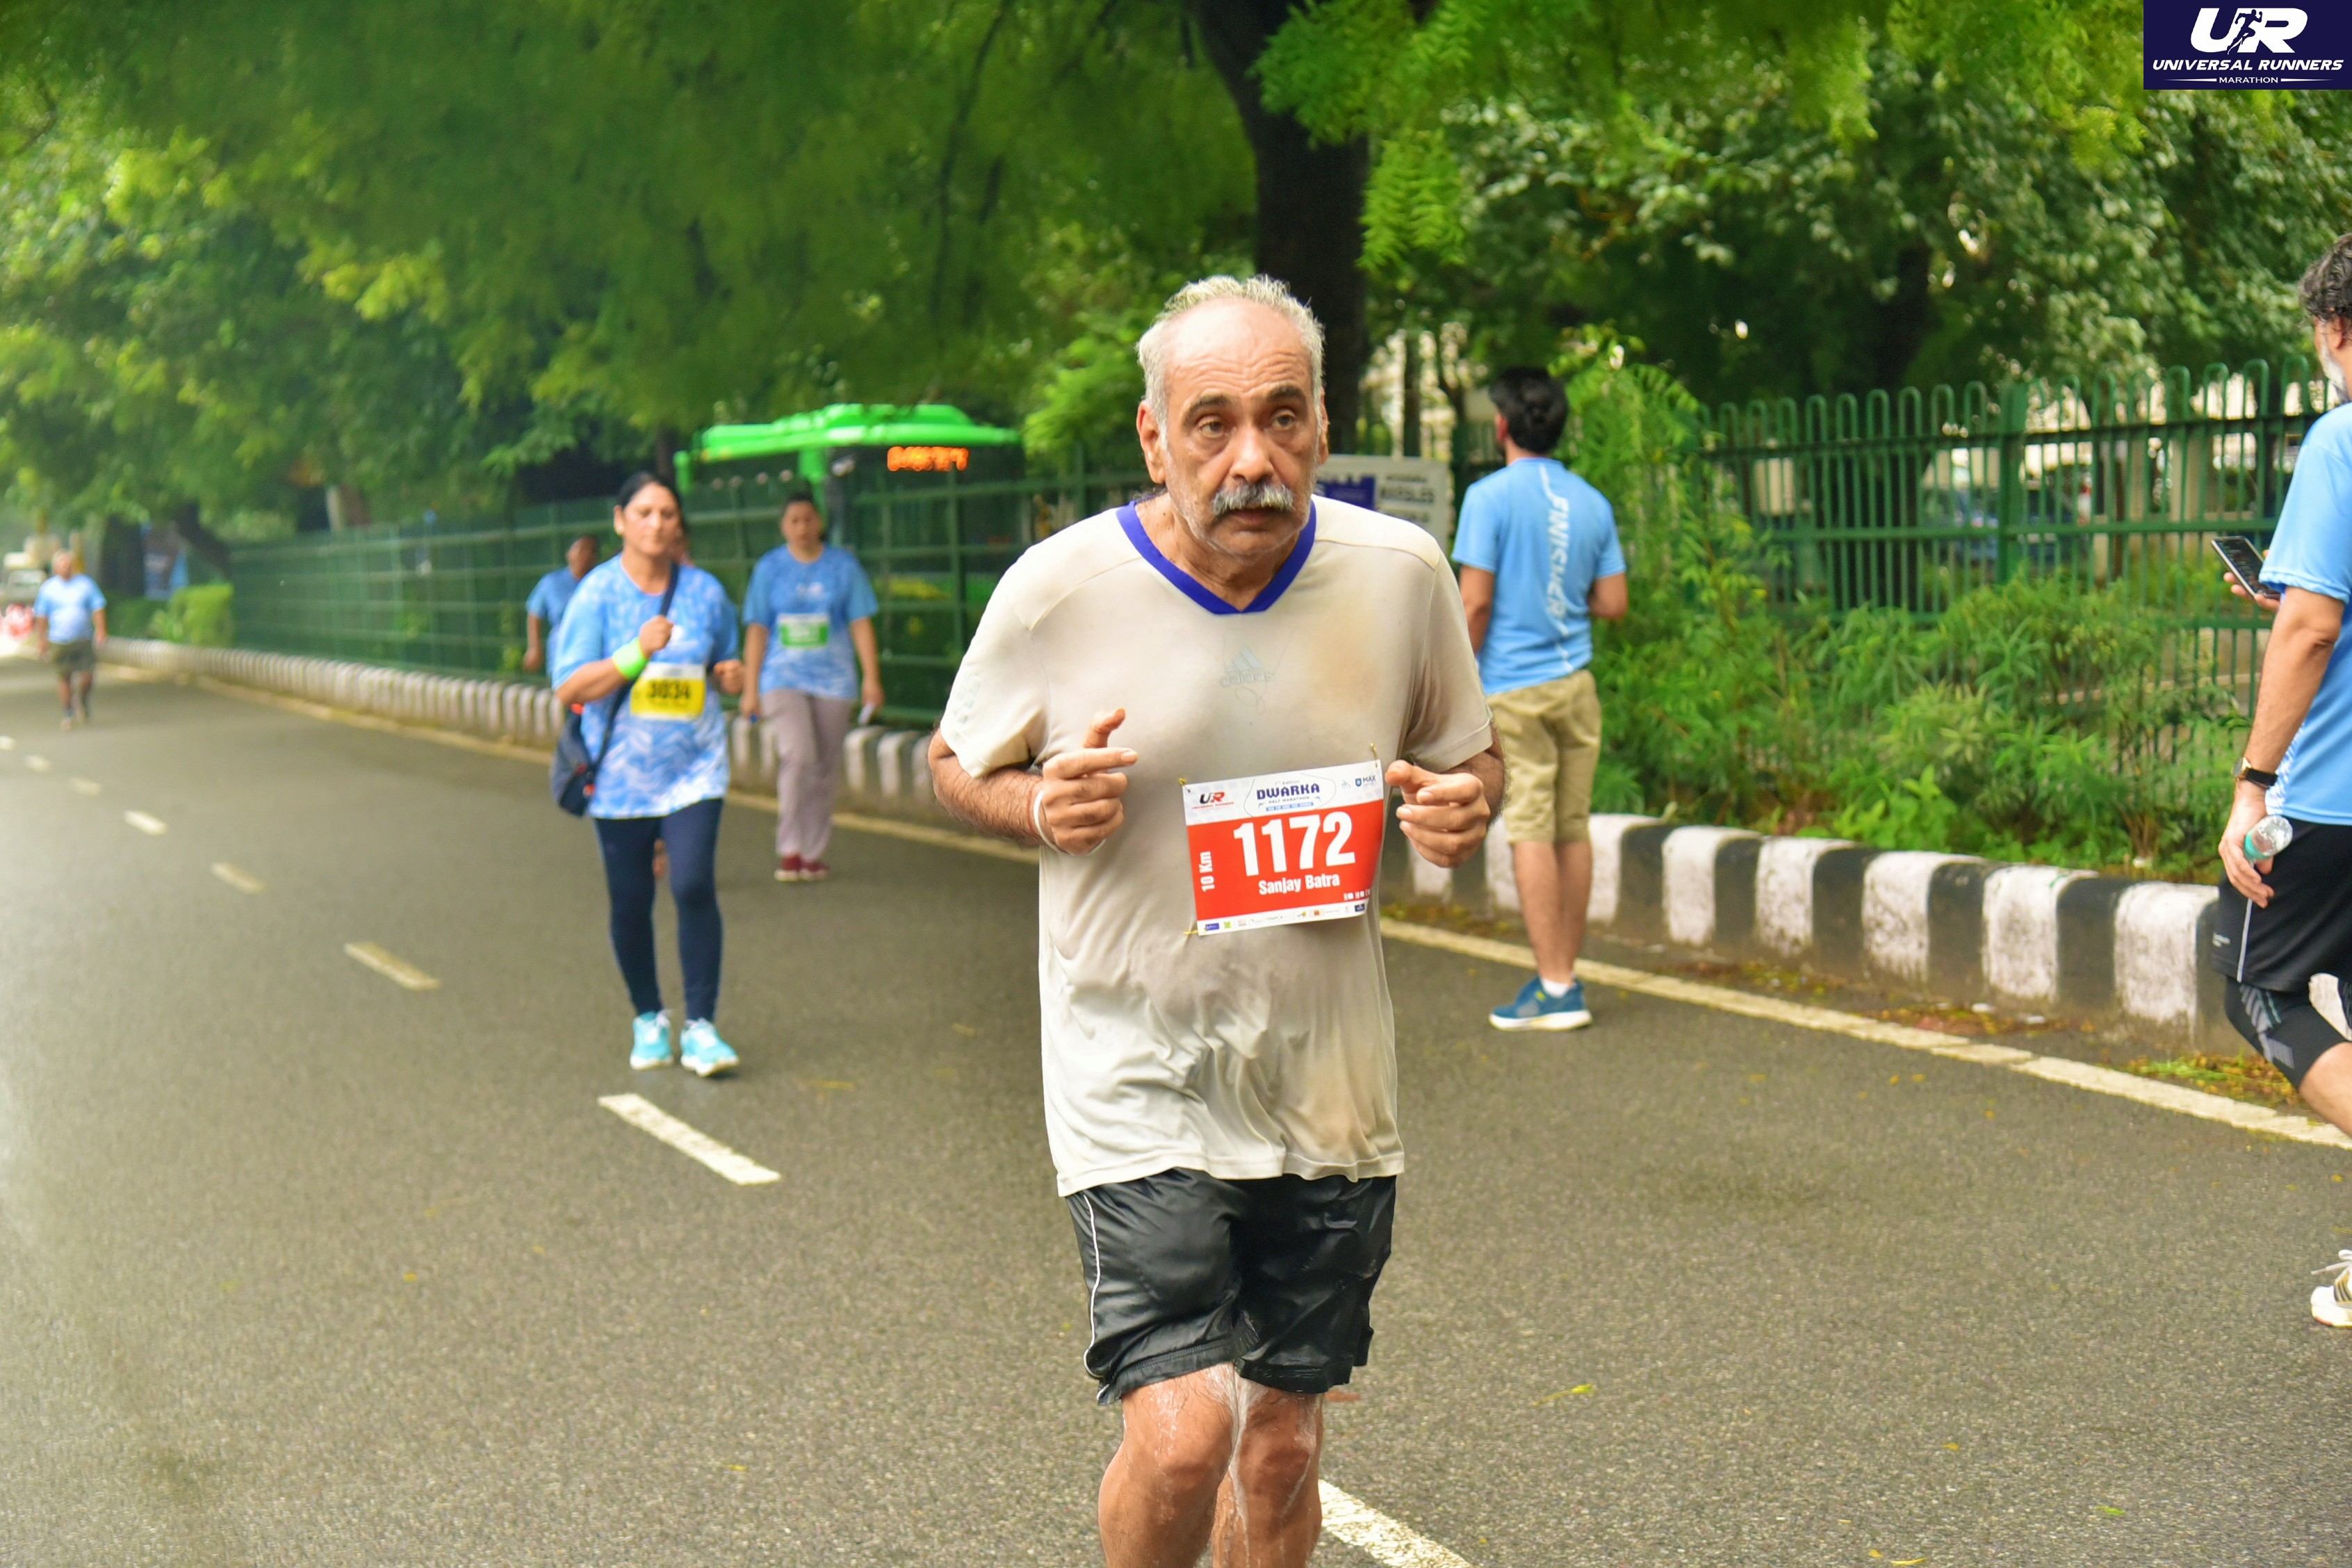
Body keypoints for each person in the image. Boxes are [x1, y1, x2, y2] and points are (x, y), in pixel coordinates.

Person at [929, 275, 1499, 1568]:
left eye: (1282, 418)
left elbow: (1467, 757)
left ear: (1322, 424)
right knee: (1187, 1433)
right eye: (1212, 423)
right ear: (1154, 438)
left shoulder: (1397, 576)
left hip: (1326, 1080)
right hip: (1132, 1062)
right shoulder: (1060, 590)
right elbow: (955, 761)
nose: (1253, 459)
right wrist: (1038, 804)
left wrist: (1462, 804)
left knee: (1281, 1446)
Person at [2214, 233, 2352, 1329]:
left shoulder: (2342, 440)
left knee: (2250, 982)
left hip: (2333, 804)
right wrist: (2299, 588)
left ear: (2339, 332)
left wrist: (2253, 783)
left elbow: (2311, 629)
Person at [551, 475, 747, 1077]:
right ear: (620, 521)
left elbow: (725, 658)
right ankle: (648, 1017)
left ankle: (702, 1026)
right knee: (632, 900)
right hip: (620, 777)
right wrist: (635, 652)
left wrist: (732, 675)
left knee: (692, 884)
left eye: (667, 513)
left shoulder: (705, 592)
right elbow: (569, 684)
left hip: (695, 768)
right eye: (644, 512)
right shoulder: (597, 594)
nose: (656, 523)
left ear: (678, 523)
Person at [1451, 366, 1628, 1032]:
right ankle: (1564, 975)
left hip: (1514, 689)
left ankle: (1556, 988)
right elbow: (1614, 601)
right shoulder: (1592, 503)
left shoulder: (1488, 498)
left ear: (1502, 426)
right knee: (1571, 827)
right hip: (1576, 685)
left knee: (1529, 826)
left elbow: (1475, 603)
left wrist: (1457, 679)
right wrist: (1561, 596)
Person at [742, 491, 883, 881]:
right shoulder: (769, 569)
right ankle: (790, 847)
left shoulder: (843, 567)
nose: (802, 527)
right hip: (782, 677)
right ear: (783, 526)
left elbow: (860, 623)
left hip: (834, 680)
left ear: (819, 522)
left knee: (823, 767)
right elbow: (757, 630)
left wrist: (872, 678)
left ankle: (813, 852)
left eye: (808, 519)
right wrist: (750, 689)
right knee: (799, 756)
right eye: (794, 521)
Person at [33, 548, 108, 729]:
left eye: (69, 564)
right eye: (62, 565)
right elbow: (42, 615)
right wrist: (41, 639)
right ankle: (68, 712)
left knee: (88, 675)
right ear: (56, 568)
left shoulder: (85, 584)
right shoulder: (49, 589)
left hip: (83, 638)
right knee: (64, 677)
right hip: (59, 640)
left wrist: (101, 630)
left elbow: (98, 607)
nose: (66, 568)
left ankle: (82, 699)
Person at [523, 534, 601, 674]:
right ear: (569, 553)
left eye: (592, 551)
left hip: (595, 654)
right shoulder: (552, 583)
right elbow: (535, 613)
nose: (586, 555)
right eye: (581, 549)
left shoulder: (601, 582)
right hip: (561, 655)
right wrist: (534, 647)